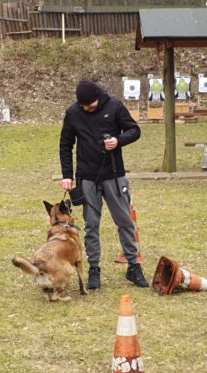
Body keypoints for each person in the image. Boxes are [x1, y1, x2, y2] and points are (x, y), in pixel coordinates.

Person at [59, 80, 149, 290]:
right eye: (83, 106)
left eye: (89, 105)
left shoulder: (115, 106)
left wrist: (118, 141)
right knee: (91, 225)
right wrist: (67, 175)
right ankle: (94, 268)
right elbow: (65, 144)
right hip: (87, 177)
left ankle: (133, 266)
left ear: (98, 98)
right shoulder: (73, 112)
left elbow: (134, 130)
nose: (86, 109)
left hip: (114, 175)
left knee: (125, 221)